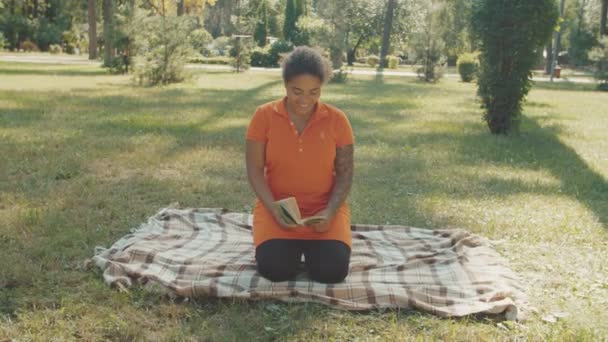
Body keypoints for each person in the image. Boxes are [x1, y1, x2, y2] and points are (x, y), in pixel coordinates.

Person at [245, 46, 355, 284]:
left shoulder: (338, 120)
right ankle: (289, 247)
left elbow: (345, 174)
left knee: (332, 272)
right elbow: (254, 170)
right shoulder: (263, 116)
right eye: (297, 91)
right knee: (275, 270)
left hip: (324, 210)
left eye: (314, 92)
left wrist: (330, 211)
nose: (305, 100)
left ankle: (312, 247)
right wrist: (275, 209)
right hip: (277, 209)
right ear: (285, 85)